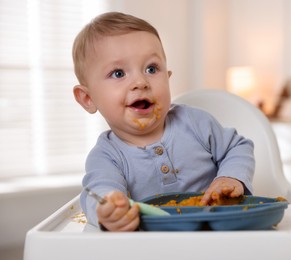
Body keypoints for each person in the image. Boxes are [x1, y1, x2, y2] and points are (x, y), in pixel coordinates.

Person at [72, 11, 255, 231]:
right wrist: (109, 212)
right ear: (88, 98)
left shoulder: (195, 123)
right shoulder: (106, 156)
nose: (140, 82)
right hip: (154, 246)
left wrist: (231, 178)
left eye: (151, 69)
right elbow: (98, 190)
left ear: (167, 78)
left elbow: (238, 147)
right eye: (118, 73)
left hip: (219, 232)